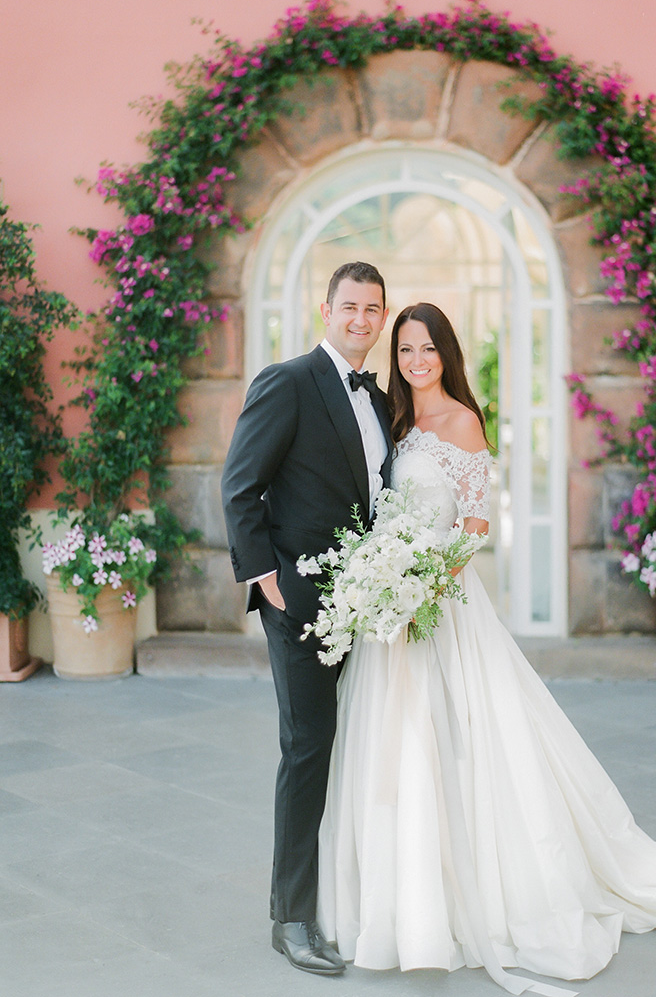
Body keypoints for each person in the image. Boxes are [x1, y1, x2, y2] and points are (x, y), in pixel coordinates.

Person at [316, 302, 656, 997]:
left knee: (460, 744)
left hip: (441, 604)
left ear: (446, 354)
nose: (416, 361)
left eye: (427, 349)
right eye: (406, 350)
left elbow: (477, 525)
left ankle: (466, 895)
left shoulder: (462, 423)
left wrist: (426, 580)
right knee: (391, 748)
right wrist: (384, 581)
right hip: (392, 613)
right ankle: (396, 900)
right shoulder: (394, 423)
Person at [220, 261, 391, 976]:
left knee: (354, 749)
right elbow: (240, 486)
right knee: (308, 750)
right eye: (349, 306)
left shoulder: (379, 400)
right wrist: (270, 583)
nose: (361, 319)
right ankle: (290, 917)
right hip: (303, 607)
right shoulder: (287, 381)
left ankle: (346, 897)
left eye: (372, 308)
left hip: (369, 606)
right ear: (325, 309)